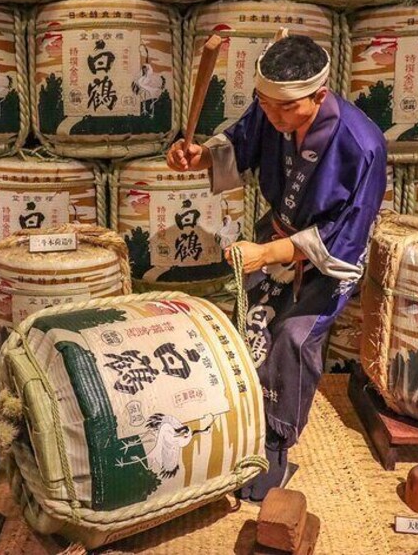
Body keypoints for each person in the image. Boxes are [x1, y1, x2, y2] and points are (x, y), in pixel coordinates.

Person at [166, 32, 387, 501]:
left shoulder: (362, 145)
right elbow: (240, 143)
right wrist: (198, 155)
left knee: (291, 339)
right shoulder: (272, 109)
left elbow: (343, 237)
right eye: (263, 103)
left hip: (328, 257)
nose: (272, 116)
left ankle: (272, 449)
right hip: (281, 232)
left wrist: (266, 254)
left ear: (320, 96)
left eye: (285, 109)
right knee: (248, 325)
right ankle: (238, 427)